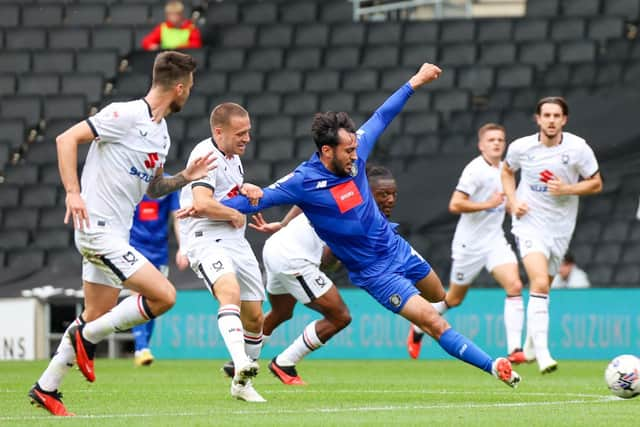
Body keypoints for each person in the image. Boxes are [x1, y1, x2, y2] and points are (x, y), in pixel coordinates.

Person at [181, 63, 522, 389]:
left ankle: (420, 331)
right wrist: (206, 207)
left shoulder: (355, 154)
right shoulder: (304, 181)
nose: (356, 156)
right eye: (349, 151)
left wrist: (415, 82)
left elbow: (382, 116)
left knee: (438, 297)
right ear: (327, 151)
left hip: (395, 247)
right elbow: (256, 200)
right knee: (433, 321)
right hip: (374, 272)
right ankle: (494, 366)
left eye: (356, 148)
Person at [28, 51, 213, 417]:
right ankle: (86, 339)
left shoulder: (161, 135)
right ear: (179, 87)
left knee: (97, 312)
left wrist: (185, 178)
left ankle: (47, 388)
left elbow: (154, 188)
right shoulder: (124, 113)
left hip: (117, 233)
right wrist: (72, 192)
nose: (189, 93)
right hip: (97, 231)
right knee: (164, 296)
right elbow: (66, 139)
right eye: (189, 87)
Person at [224, 165, 397, 385]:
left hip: (276, 247)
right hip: (294, 258)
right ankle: (285, 362)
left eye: (393, 194)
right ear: (367, 191)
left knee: (281, 312)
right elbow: (327, 260)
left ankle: (241, 360)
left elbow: (304, 199)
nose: (390, 199)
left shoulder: (342, 192)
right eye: (383, 194)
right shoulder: (358, 212)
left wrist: (285, 225)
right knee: (340, 317)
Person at [407, 124, 526, 364]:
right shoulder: (474, 170)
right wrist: (489, 204)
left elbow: (508, 202)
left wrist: (516, 206)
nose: (496, 143)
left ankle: (515, 349)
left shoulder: (506, 170)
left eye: (500, 140)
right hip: (468, 245)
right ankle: (418, 327)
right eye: (491, 139)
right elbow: (455, 204)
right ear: (481, 145)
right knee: (454, 299)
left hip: (494, 241)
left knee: (514, 285)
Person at [501, 96, 602, 374]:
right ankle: (544, 354)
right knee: (539, 283)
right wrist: (512, 200)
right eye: (546, 115)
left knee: (542, 286)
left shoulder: (578, 148)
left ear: (564, 120)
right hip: (529, 222)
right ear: (538, 119)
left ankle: (531, 342)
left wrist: (567, 189)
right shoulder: (522, 147)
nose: (551, 120)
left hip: (560, 228)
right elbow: (507, 172)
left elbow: (596, 183)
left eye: (556, 116)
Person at [178, 103, 267, 403]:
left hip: (236, 241)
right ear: (219, 132)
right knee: (228, 292)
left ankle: (241, 385)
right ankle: (241, 362)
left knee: (255, 317)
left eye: (248, 132)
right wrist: (232, 213)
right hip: (206, 239)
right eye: (240, 133)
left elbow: (225, 190)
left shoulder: (232, 157)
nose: (247, 139)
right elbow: (202, 203)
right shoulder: (205, 156)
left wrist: (246, 188)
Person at [129, 191, 189, 367]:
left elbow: (177, 217)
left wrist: (182, 247)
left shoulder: (168, 187)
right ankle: (141, 347)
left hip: (159, 252)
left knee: (157, 299)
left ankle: (143, 347)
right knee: (137, 296)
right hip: (134, 248)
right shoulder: (135, 182)